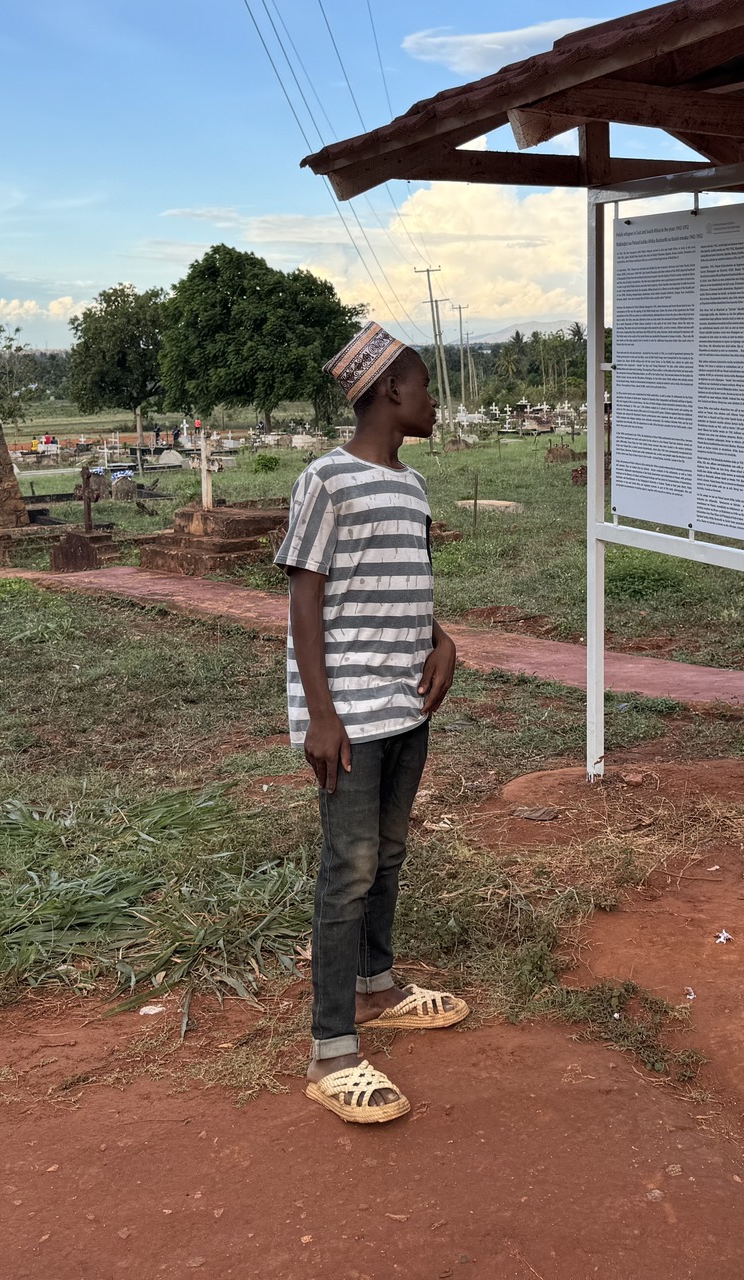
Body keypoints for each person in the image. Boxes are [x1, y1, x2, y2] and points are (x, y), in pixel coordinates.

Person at [275, 322, 466, 1125]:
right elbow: (306, 596)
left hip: (405, 705)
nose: (434, 402)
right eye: (425, 387)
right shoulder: (327, 480)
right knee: (348, 867)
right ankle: (331, 1049)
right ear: (391, 391)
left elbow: (404, 585)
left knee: (388, 852)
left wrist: (441, 640)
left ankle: (377, 986)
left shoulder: (413, 487)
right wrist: (321, 716)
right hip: (349, 714)